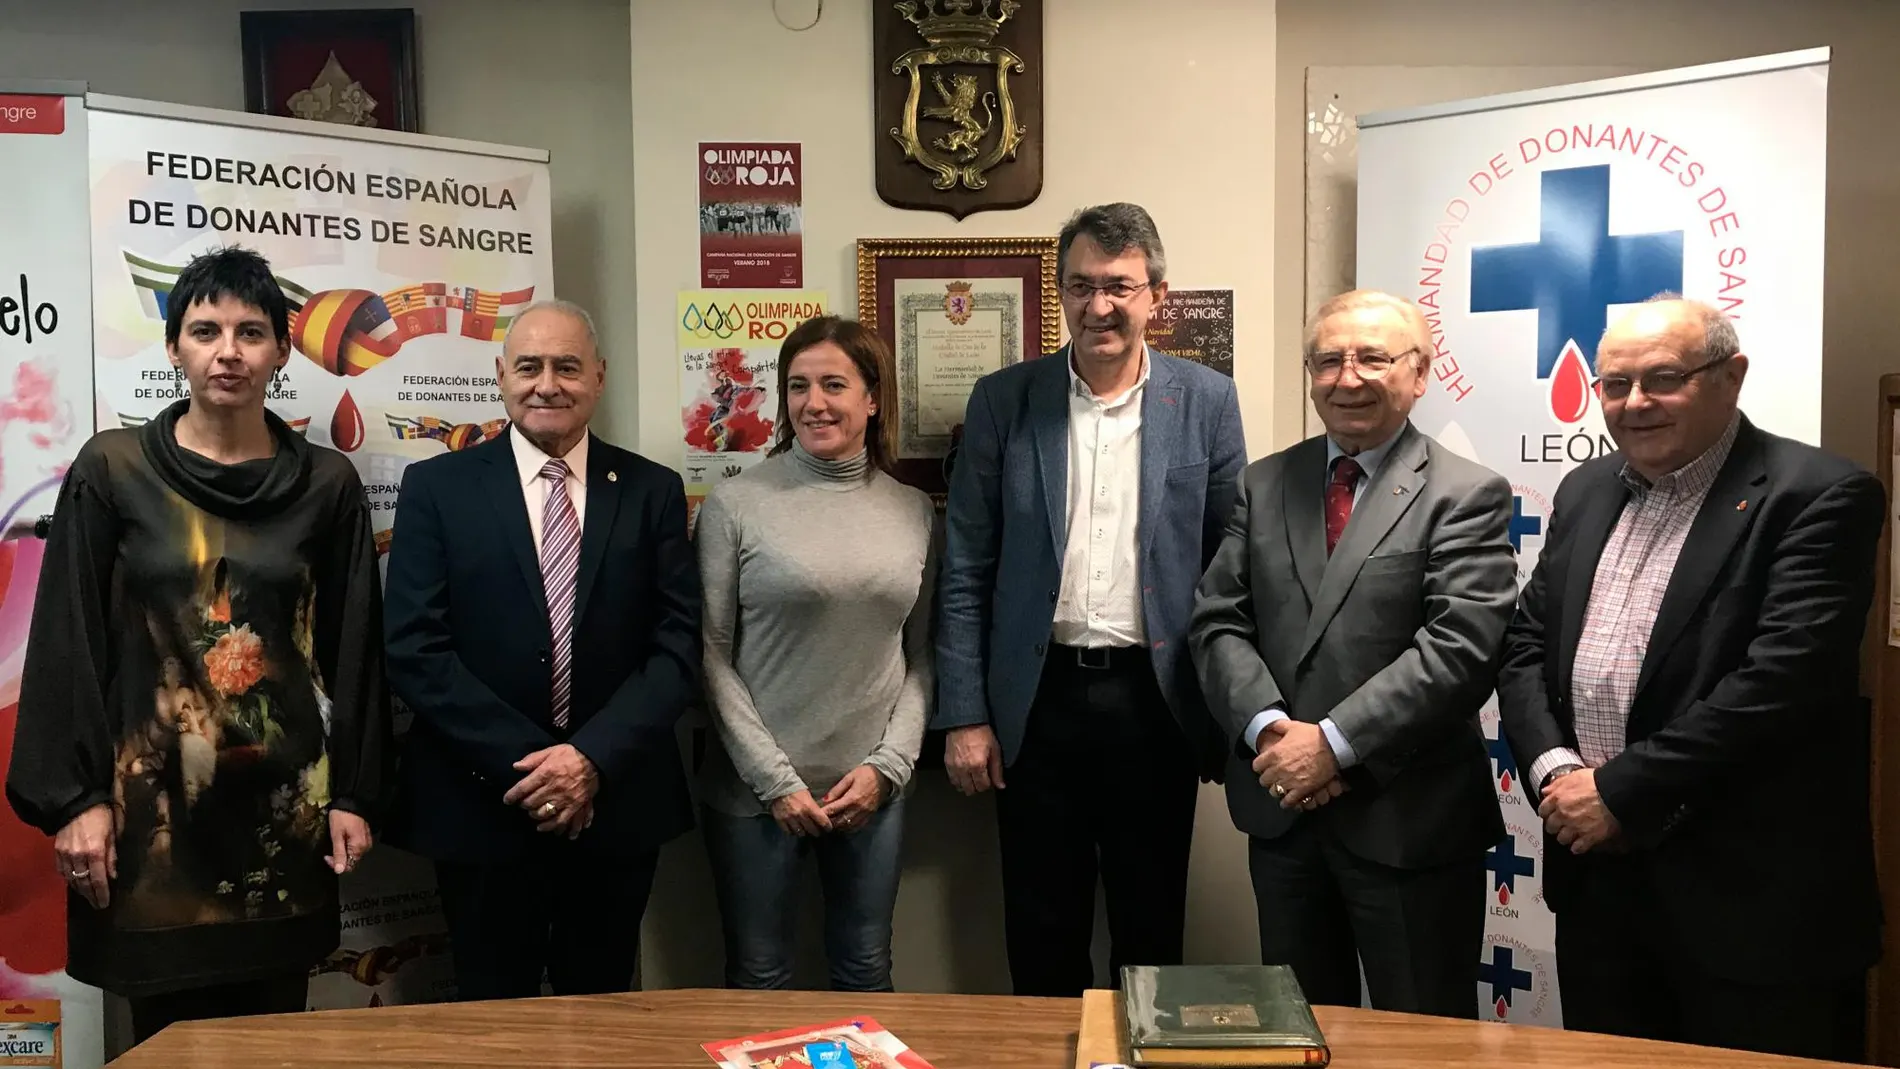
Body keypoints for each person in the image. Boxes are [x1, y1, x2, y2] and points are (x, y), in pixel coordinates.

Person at [4, 246, 389, 1042]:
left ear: (282, 351)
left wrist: (355, 790)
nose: (228, 351)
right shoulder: (112, 469)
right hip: (152, 823)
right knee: (165, 1045)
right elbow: (67, 638)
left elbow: (356, 649)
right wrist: (75, 799)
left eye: (251, 332)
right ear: (174, 344)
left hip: (286, 817)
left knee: (277, 1043)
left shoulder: (328, 482)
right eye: (205, 329)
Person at [1496, 296, 1882, 1060]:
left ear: (1730, 376)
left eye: (1663, 377)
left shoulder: (1820, 494)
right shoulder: (1586, 488)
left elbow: (1781, 683)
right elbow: (1524, 645)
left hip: (1747, 902)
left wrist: (1618, 790)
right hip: (1597, 883)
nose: (1634, 403)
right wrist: (1557, 770)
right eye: (1614, 383)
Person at [934, 203, 1247, 997]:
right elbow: (966, 564)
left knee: (1150, 929)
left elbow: (1227, 563)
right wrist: (967, 712)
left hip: (1156, 699)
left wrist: (1226, 709)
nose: (1098, 305)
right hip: (1034, 703)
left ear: (1156, 297)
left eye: (1119, 286)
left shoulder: (1206, 400)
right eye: (1080, 285)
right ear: (1060, 292)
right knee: (1042, 929)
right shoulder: (1005, 399)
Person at [1189, 289, 1515, 1019]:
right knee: (1297, 1031)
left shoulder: (1466, 493)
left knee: (1424, 1044)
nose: (1348, 376)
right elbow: (1217, 622)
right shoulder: (1265, 482)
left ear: (1421, 372)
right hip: (1283, 816)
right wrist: (1272, 731)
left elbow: (1460, 648)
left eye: (1373, 357)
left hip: (1410, 823)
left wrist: (1332, 747)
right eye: (1329, 359)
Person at [382, 299, 699, 1000]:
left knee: (603, 1003)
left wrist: (589, 761)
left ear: (599, 376)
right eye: (529, 366)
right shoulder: (438, 488)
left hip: (615, 804)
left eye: (566, 367)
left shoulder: (651, 491)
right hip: (481, 803)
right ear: (501, 375)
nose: (547, 384)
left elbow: (676, 646)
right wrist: (536, 768)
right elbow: (413, 647)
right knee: (494, 1012)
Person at [695, 315, 936, 991]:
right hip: (756, 794)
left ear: (873, 398)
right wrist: (776, 780)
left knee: (865, 970)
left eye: (834, 383)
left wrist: (888, 767)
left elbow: (923, 655)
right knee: (759, 975)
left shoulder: (914, 511)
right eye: (798, 385)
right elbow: (710, 656)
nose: (814, 402)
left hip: (871, 792)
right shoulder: (736, 504)